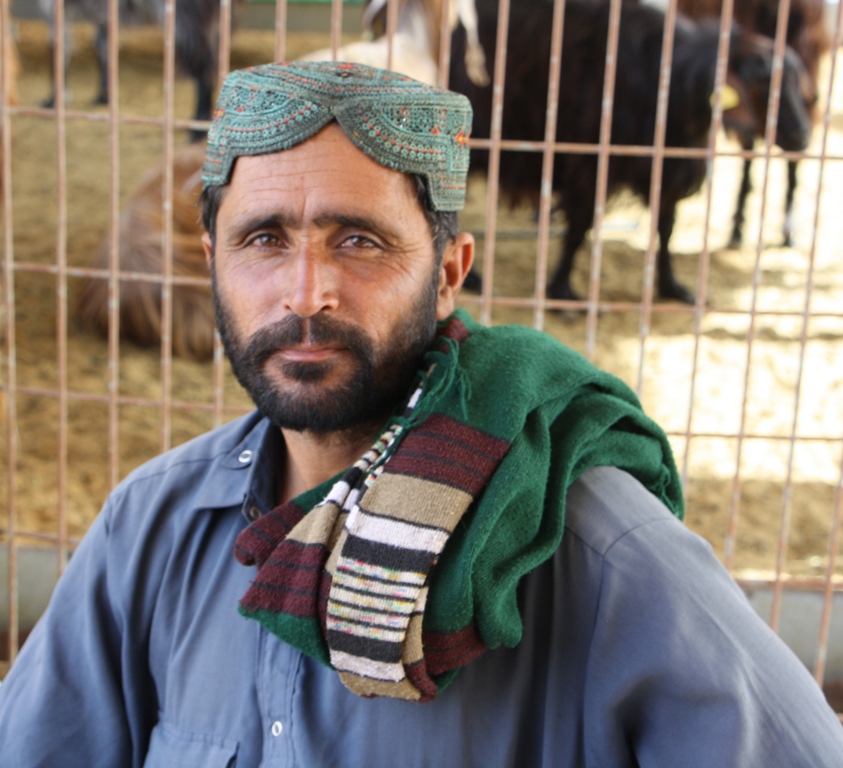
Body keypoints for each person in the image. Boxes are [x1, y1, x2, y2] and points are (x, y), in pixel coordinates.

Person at [0, 61, 841, 767]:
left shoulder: (592, 547)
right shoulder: (152, 528)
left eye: (359, 241)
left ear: (448, 273)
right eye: (262, 240)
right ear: (212, 263)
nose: (305, 292)